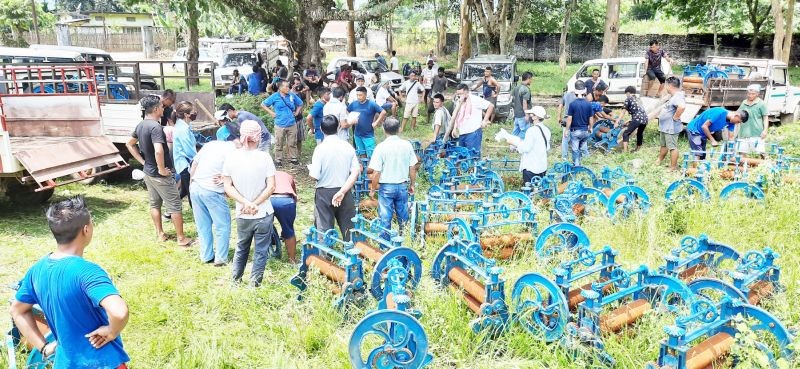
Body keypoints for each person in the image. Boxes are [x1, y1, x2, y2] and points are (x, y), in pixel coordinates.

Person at [11, 197, 130, 369]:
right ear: (86, 230)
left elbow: (17, 310)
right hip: (101, 362)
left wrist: (43, 347)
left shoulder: (36, 270)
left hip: (65, 363)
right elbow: (119, 313)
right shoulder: (88, 271)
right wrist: (112, 331)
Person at [126, 95, 192, 246]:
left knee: (155, 204)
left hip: (148, 172)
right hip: (160, 175)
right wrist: (162, 169)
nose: (164, 108)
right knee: (175, 205)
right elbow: (158, 151)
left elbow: (129, 144)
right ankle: (181, 239)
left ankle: (160, 234)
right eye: (162, 106)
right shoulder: (155, 127)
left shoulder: (141, 125)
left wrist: (143, 162)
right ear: (155, 109)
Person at [222, 120, 277, 287]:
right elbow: (272, 186)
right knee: (261, 251)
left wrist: (245, 203)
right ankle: (254, 284)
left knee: (241, 247)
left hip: (242, 212)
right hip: (263, 212)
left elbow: (227, 186)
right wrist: (255, 204)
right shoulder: (265, 157)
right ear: (258, 136)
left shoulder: (232, 157)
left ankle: (235, 281)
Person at [308, 115, 361, 241]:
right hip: (345, 190)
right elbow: (356, 171)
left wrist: (310, 169)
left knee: (324, 228)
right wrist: (342, 192)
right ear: (338, 127)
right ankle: (352, 254)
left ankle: (325, 256)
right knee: (349, 227)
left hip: (324, 192)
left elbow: (314, 176)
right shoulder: (348, 147)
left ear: (321, 128)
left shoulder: (320, 149)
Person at [190, 139, 237, 266]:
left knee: (203, 225)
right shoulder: (234, 152)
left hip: (195, 187)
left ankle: (206, 256)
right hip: (212, 191)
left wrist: (191, 184)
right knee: (222, 226)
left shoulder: (211, 144)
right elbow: (235, 174)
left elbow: (194, 164)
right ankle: (220, 259)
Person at [368, 117, 418, 237]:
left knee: (385, 218)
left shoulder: (380, 147)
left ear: (384, 130)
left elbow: (376, 172)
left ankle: (385, 245)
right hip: (402, 186)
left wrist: (373, 189)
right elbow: (412, 167)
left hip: (386, 188)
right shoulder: (407, 145)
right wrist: (412, 184)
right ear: (399, 129)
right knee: (403, 216)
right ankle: (404, 240)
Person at [495, 106, 551, 185]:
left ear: (535, 117)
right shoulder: (546, 130)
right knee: (539, 189)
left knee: (529, 190)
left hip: (531, 167)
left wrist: (515, 143)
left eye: (530, 114)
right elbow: (547, 147)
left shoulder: (531, 130)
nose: (528, 116)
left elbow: (526, 148)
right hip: (542, 166)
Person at [262, 80, 304, 166]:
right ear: (280, 88)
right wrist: (271, 113)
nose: (288, 88)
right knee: (279, 143)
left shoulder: (292, 95)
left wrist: (297, 112)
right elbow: (263, 104)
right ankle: (278, 160)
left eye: (288, 86)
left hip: (292, 123)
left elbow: (300, 103)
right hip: (280, 124)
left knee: (292, 142)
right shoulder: (274, 97)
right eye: (286, 86)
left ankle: (293, 158)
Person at [447, 83, 494, 157]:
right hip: (462, 133)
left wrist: (485, 120)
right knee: (462, 156)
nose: (460, 96)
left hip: (473, 133)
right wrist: (455, 128)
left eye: (461, 94)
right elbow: (457, 115)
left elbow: (490, 106)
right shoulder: (458, 101)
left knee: (472, 156)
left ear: (467, 92)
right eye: (458, 94)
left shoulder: (475, 99)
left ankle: (475, 168)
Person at [348, 86, 387, 157]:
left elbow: (383, 112)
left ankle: (371, 167)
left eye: (360, 95)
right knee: (362, 154)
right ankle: (364, 167)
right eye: (357, 95)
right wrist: (351, 119)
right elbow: (347, 111)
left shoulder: (371, 104)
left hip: (368, 135)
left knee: (371, 155)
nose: (358, 97)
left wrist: (376, 122)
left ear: (365, 95)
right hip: (357, 134)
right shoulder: (354, 104)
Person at [172, 101, 198, 202]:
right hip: (186, 164)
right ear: (186, 115)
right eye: (193, 112)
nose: (195, 113)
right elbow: (189, 151)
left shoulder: (185, 125)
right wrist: (199, 160)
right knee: (191, 191)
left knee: (184, 189)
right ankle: (196, 214)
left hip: (185, 162)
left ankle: (171, 210)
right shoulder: (182, 129)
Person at [270, 171, 298, 264]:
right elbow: (294, 195)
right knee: (288, 229)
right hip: (286, 200)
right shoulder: (288, 176)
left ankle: (267, 256)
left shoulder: (265, 174)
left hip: (269, 199)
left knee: (264, 228)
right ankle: (292, 260)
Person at [657, 77, 685, 170]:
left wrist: (676, 117)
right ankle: (659, 160)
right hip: (665, 127)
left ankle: (673, 167)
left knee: (672, 147)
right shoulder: (673, 96)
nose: (665, 87)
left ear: (669, 85)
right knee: (664, 145)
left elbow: (682, 107)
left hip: (671, 127)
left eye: (665, 85)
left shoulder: (678, 96)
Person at [736, 84, 769, 158]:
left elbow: (765, 118)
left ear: (757, 94)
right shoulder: (744, 102)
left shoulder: (761, 103)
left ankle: (766, 165)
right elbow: (738, 113)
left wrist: (765, 130)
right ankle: (743, 167)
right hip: (744, 131)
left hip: (757, 132)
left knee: (761, 152)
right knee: (742, 152)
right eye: (749, 93)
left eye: (753, 94)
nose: (750, 95)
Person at [565, 84, 594, 166]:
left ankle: (576, 166)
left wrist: (566, 130)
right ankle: (584, 162)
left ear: (575, 94)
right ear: (584, 93)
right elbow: (591, 118)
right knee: (581, 147)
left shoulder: (573, 104)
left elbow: (569, 118)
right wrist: (591, 128)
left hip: (575, 131)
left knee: (575, 150)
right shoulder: (588, 104)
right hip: (585, 131)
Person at [557, 80, 584, 160]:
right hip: (577, 121)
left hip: (566, 121)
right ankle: (578, 156)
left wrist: (559, 117)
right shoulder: (581, 97)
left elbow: (560, 106)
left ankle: (564, 156)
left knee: (565, 139)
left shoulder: (566, 95)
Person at [617, 86, 649, 152]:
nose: (626, 95)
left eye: (626, 94)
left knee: (626, 133)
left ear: (628, 92)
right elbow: (639, 111)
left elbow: (623, 112)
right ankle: (637, 150)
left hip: (637, 118)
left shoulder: (628, 98)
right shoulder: (639, 99)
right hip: (645, 119)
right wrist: (630, 120)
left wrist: (617, 122)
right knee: (640, 133)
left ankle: (625, 151)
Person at [512, 72, 534, 139]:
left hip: (516, 114)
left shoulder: (516, 87)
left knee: (515, 131)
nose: (531, 81)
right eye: (531, 79)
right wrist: (527, 115)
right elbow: (525, 103)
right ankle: (520, 146)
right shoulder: (526, 89)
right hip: (523, 115)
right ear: (528, 78)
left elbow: (512, 99)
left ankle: (512, 146)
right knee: (524, 131)